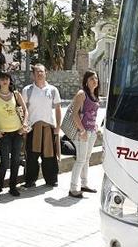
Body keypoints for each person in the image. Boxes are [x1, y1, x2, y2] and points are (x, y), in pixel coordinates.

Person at [0, 72, 28, 198]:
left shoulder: (16, 94)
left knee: (15, 161)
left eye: (7, 79)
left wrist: (24, 125)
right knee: (4, 162)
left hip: (17, 132)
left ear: (10, 81)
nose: (5, 81)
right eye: (2, 79)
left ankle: (13, 187)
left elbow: (25, 110)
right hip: (3, 134)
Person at [22, 64, 62, 188]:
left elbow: (58, 108)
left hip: (48, 127)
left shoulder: (53, 90)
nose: (39, 74)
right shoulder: (27, 90)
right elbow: (23, 109)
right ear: (33, 74)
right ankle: (30, 180)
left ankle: (51, 180)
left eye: (42, 71)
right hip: (33, 128)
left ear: (46, 73)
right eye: (37, 72)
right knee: (32, 156)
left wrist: (58, 127)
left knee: (49, 156)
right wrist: (23, 126)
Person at [67, 70, 100, 199]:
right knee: (80, 160)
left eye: (96, 78)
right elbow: (75, 114)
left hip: (91, 132)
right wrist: (82, 130)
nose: (95, 81)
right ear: (86, 81)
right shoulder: (82, 94)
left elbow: (91, 114)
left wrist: (95, 126)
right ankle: (73, 188)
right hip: (83, 132)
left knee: (86, 159)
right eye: (92, 78)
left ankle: (84, 184)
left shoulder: (94, 94)